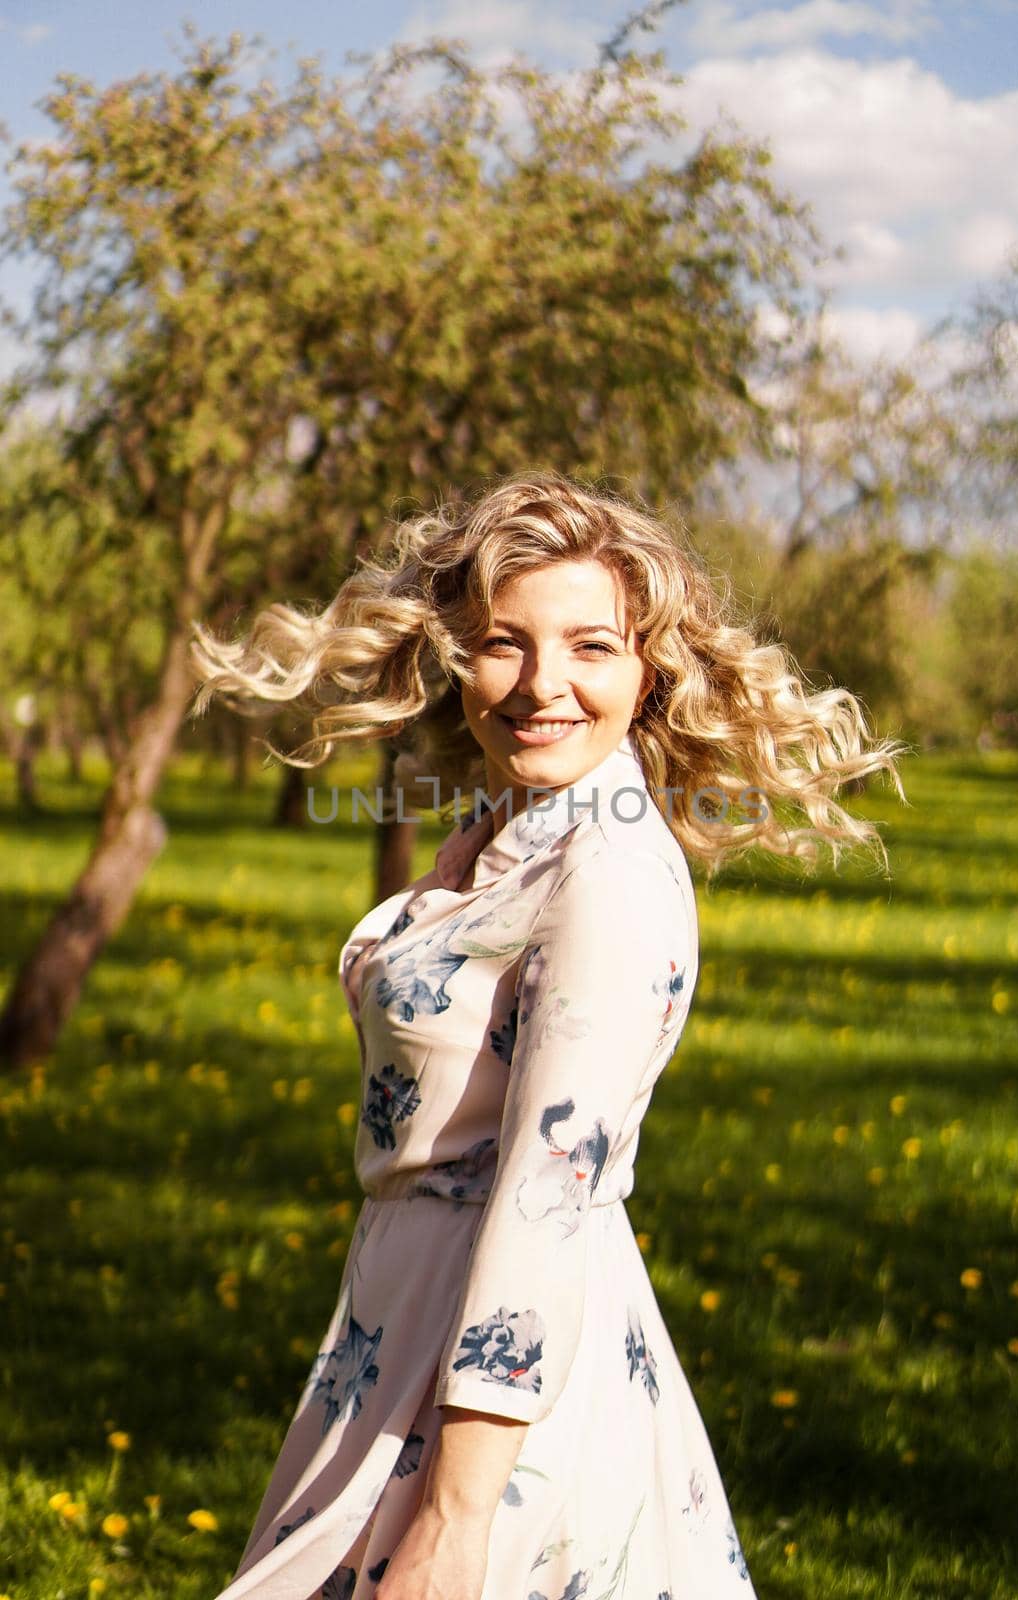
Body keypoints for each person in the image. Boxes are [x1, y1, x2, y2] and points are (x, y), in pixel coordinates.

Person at [188, 471, 906, 1600]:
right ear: (455, 655)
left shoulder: (605, 870)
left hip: (495, 1401)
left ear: (646, 669)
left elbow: (545, 1192)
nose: (542, 686)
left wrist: (455, 1515)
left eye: (590, 647)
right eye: (502, 643)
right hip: (401, 1331)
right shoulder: (515, 835)